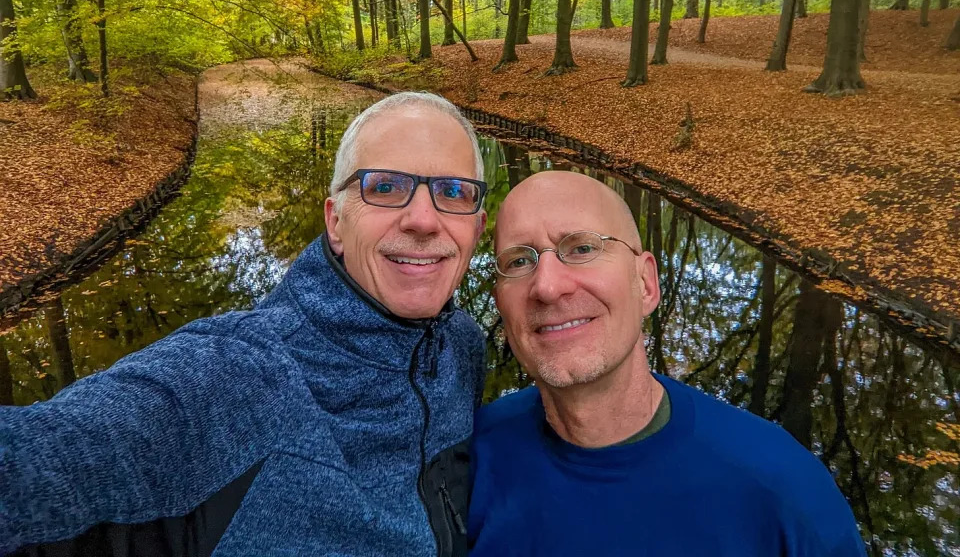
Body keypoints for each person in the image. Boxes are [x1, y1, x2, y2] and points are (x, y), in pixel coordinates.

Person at [0, 92, 487, 557]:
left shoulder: (461, 347)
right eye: (385, 187)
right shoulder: (231, 377)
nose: (423, 219)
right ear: (336, 222)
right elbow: (38, 458)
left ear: (477, 228)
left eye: (453, 192)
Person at [468, 170, 867, 557]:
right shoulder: (466, 465)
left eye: (582, 248)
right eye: (519, 261)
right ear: (501, 301)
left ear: (645, 284)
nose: (548, 287)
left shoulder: (784, 493)